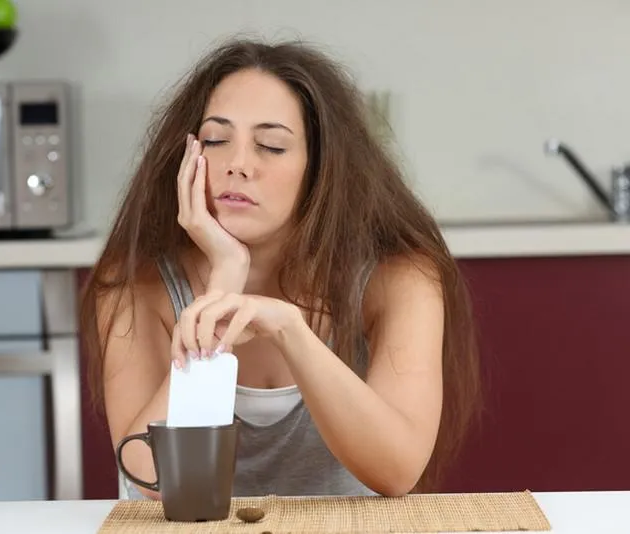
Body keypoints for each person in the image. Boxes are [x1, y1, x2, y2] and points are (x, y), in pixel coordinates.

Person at [80, 37, 481, 500]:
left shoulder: (398, 277)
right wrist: (223, 280)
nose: (238, 164)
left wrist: (292, 331)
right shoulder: (135, 283)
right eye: (215, 140)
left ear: (322, 170)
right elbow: (155, 480)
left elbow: (397, 470)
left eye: (271, 146)